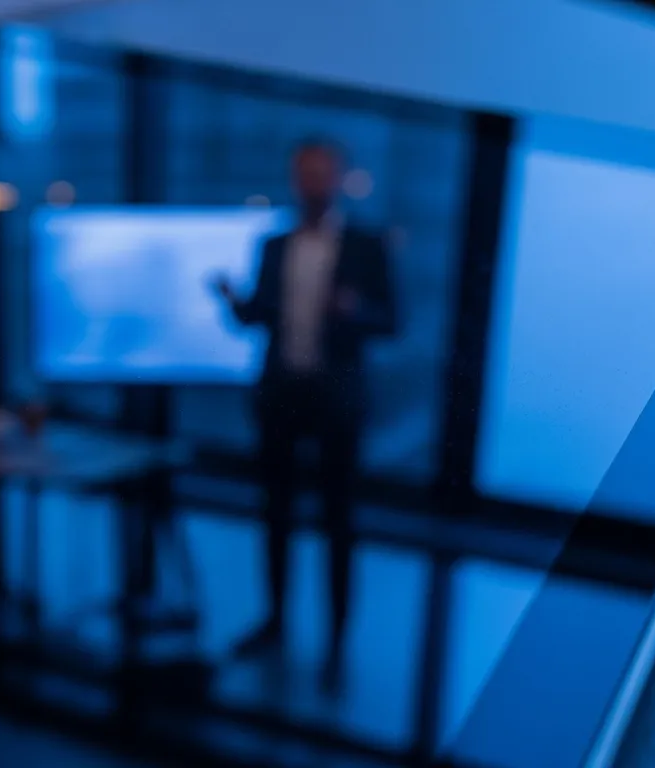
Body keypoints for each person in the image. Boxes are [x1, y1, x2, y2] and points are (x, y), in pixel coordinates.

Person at [212, 137, 399, 693]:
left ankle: (337, 643)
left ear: (338, 179)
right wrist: (232, 300)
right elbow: (258, 316)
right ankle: (275, 622)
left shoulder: (366, 246)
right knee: (275, 515)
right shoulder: (274, 246)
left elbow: (392, 320)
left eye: (321, 174)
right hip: (281, 396)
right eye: (304, 175)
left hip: (337, 400)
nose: (312, 185)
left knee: (339, 523)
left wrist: (356, 310)